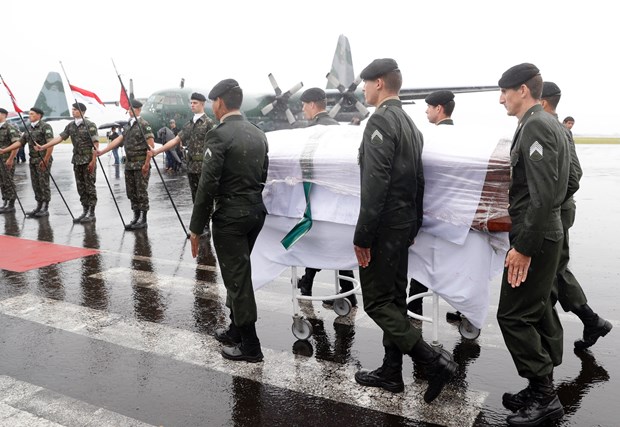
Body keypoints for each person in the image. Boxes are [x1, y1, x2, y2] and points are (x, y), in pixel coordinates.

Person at [352, 58, 457, 403]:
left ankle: (432, 360)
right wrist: (413, 222)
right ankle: (391, 371)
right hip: (401, 225)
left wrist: (363, 235)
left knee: (378, 302)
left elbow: (375, 183)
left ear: (379, 83)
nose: (363, 89)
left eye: (366, 83)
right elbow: (419, 179)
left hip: (383, 227)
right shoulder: (411, 124)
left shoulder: (380, 121)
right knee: (395, 300)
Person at [496, 63, 569, 426]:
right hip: (546, 230)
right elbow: (568, 181)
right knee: (536, 309)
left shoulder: (536, 125)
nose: (501, 98)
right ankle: (539, 386)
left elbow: (540, 196)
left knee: (512, 315)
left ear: (523, 90)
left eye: (505, 91)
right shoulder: (549, 123)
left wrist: (523, 246)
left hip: (534, 235)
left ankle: (544, 396)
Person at [189, 79, 269, 363]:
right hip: (255, 213)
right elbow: (262, 177)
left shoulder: (219, 135)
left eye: (213, 102)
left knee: (237, 279)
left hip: (231, 218)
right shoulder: (258, 134)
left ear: (220, 102)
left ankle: (251, 346)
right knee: (238, 273)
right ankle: (236, 329)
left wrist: (195, 228)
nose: (212, 107)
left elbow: (206, 185)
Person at [540, 82, 612, 349]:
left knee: (553, 270)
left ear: (543, 101)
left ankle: (587, 322)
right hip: (560, 208)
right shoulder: (556, 128)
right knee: (556, 269)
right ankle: (591, 321)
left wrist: (552, 204)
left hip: (557, 209)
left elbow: (573, 176)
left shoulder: (551, 128)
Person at [295, 87, 357, 308]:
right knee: (337, 243)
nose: (303, 109)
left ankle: (308, 283)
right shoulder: (338, 128)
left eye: (304, 105)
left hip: (318, 195)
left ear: (312, 105)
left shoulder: (313, 130)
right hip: (338, 197)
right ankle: (347, 291)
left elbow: (305, 161)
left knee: (317, 241)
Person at [407, 90, 455, 318]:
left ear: (439, 108)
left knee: (423, 263)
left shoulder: (433, 138)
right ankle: (462, 309)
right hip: (453, 215)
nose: (426, 110)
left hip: (431, 210)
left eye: (429, 106)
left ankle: (413, 308)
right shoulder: (458, 136)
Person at [35, 102, 99, 223]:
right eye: (72, 109)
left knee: (89, 187)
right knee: (81, 187)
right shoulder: (70, 126)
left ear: (83, 112)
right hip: (77, 160)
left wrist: (93, 161)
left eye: (75, 109)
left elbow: (95, 144)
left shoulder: (90, 125)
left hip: (88, 160)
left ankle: (91, 213)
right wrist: (44, 147)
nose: (73, 111)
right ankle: (85, 211)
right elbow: (59, 138)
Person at [96, 99, 154, 230]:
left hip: (140, 163)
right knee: (131, 192)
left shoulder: (144, 124)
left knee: (141, 192)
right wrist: (103, 151)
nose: (129, 111)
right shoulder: (127, 126)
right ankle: (136, 216)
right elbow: (118, 140)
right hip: (129, 164)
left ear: (138, 110)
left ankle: (143, 219)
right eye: (128, 109)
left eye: (131, 108)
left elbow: (151, 145)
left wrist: (146, 164)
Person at [149, 93, 214, 201]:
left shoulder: (209, 123)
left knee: (206, 199)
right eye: (191, 103)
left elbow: (216, 145)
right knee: (195, 199)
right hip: (191, 167)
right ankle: (197, 218)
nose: (192, 105)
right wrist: (157, 151)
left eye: (195, 103)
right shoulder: (189, 125)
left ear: (202, 104)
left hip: (204, 168)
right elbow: (175, 140)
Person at [0, 107, 54, 217]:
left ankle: (45, 207)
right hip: (33, 160)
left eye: (32, 114)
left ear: (39, 115)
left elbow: (50, 143)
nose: (29, 116)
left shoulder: (45, 126)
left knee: (43, 184)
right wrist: (4, 150)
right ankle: (39, 206)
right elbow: (20, 143)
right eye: (29, 114)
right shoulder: (29, 128)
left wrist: (46, 159)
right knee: (36, 184)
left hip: (42, 159)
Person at [0, 107, 21, 214]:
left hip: (7, 159)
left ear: (4, 115)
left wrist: (11, 158)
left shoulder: (10, 127)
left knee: (8, 181)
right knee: (2, 182)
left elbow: (16, 145)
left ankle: (11, 204)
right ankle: (5, 201)